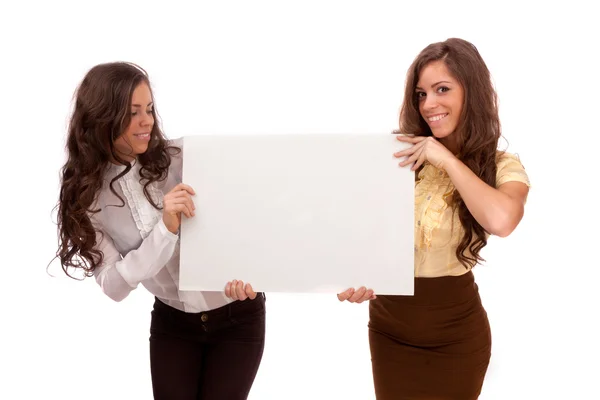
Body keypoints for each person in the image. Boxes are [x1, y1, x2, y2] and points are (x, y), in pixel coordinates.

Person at [54, 62, 265, 400]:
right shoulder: (89, 199)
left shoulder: (186, 158)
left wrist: (252, 272)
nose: (147, 121)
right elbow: (114, 286)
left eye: (149, 109)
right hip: (173, 325)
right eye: (132, 112)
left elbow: (258, 206)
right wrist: (165, 230)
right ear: (102, 117)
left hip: (237, 318)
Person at [337, 38, 531, 399]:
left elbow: (503, 221)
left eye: (442, 89)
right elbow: (356, 226)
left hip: (456, 335)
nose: (429, 104)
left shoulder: (501, 165)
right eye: (421, 94)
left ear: (471, 92)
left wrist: (445, 159)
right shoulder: (396, 156)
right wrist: (357, 274)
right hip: (390, 329)